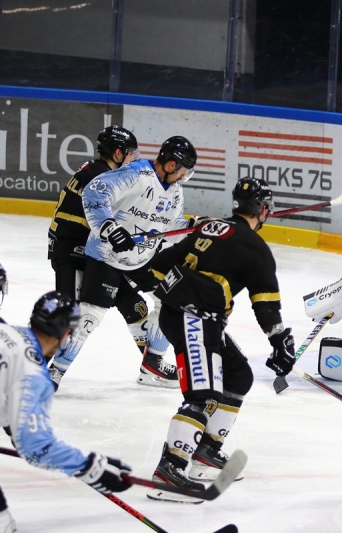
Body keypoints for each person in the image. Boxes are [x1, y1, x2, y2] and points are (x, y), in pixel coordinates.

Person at [144, 176, 295, 502]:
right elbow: (266, 305)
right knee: (202, 395)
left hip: (185, 316)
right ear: (264, 209)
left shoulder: (210, 227)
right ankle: (170, 470)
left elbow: (158, 266)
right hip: (195, 320)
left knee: (238, 375)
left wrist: (174, 293)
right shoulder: (255, 248)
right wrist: (280, 342)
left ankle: (206, 451)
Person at [48, 136, 198, 391]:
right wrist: (108, 226)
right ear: (172, 165)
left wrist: (192, 228)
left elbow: (169, 226)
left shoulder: (174, 191)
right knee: (89, 318)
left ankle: (153, 365)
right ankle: (54, 373)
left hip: (142, 259)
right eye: (183, 171)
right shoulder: (136, 174)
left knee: (173, 300)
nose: (184, 177)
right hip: (106, 256)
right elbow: (94, 192)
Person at [0, 291, 133, 532]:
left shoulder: (6, 331)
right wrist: (89, 467)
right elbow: (35, 446)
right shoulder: (33, 375)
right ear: (65, 334)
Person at [47, 126, 156, 376]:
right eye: (129, 153)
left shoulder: (96, 169)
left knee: (132, 304)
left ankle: (152, 364)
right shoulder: (102, 177)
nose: (132, 159)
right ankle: (38, 368)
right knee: (69, 316)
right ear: (117, 152)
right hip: (72, 253)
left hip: (88, 251)